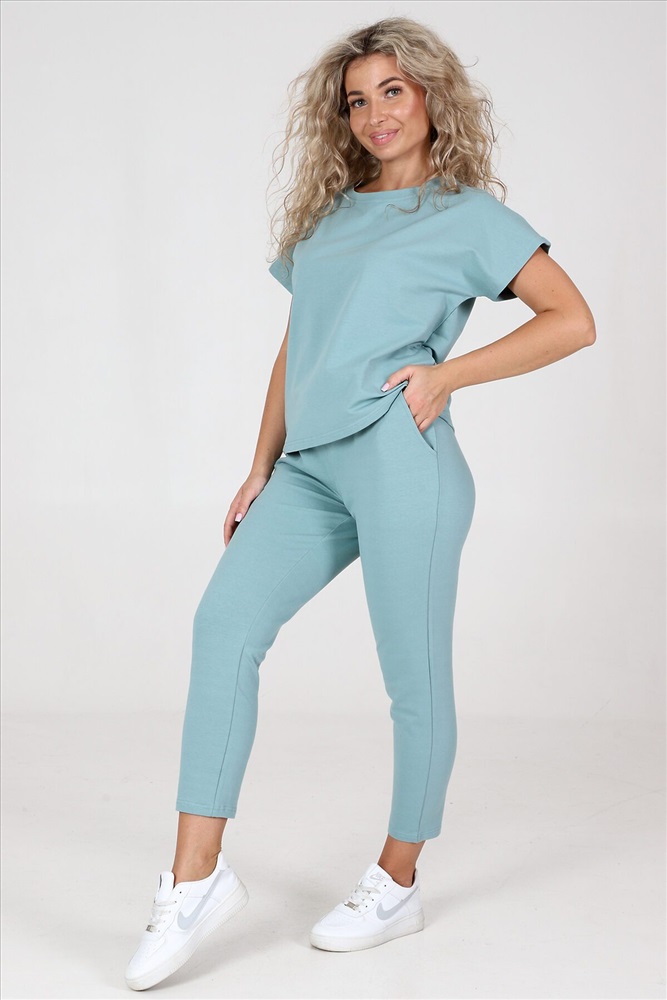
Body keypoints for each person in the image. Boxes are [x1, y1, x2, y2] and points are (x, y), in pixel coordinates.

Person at [124, 15, 595, 991]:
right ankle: (195, 880)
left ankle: (396, 878)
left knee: (410, 678)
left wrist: (446, 376)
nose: (375, 112)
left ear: (429, 96)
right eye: (356, 100)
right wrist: (260, 464)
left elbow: (572, 319)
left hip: (398, 458)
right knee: (223, 626)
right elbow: (297, 346)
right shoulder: (330, 220)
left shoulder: (466, 215)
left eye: (392, 90)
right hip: (308, 469)